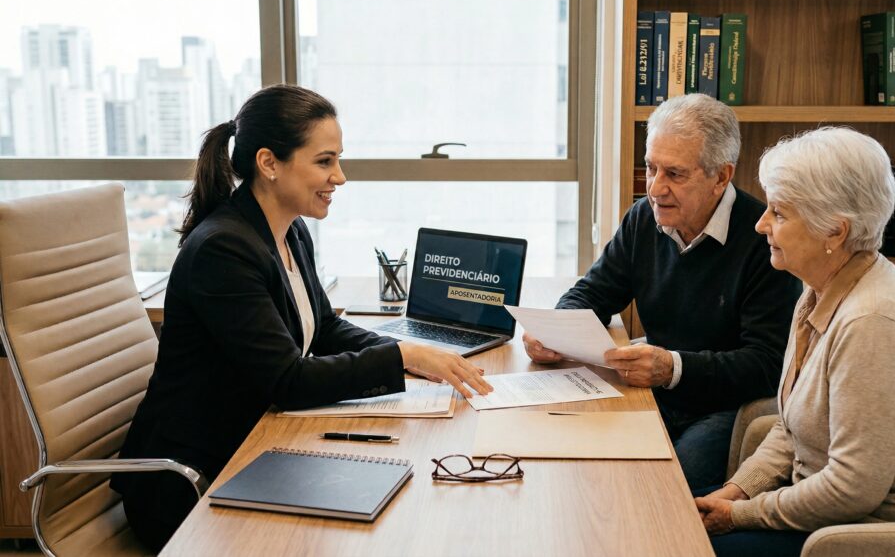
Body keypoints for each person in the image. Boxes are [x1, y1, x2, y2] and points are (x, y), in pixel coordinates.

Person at [111, 85, 493, 551]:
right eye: (325, 161)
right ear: (269, 164)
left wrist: (414, 359)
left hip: (253, 448)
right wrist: (398, 356)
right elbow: (288, 381)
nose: (341, 177)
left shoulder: (290, 231)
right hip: (190, 483)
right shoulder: (223, 250)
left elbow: (324, 328)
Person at [693, 127, 895, 557]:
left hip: (886, 534)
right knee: (667, 510)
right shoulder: (819, 289)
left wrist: (740, 515)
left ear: (834, 231)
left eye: (779, 213)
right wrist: (734, 493)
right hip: (827, 512)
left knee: (677, 541)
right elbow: (791, 429)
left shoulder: (873, 322)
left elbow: (853, 489)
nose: (760, 224)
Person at [523, 94, 802, 489]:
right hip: (650, 389)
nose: (655, 188)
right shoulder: (644, 219)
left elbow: (767, 365)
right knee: (574, 461)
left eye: (674, 174)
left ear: (721, 176)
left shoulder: (762, 240)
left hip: (723, 408)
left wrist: (673, 367)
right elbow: (594, 290)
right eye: (651, 168)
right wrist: (555, 330)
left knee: (663, 489)